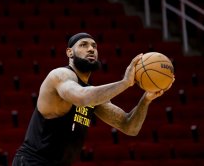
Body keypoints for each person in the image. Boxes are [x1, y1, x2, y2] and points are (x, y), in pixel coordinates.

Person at [12, 32, 174, 166]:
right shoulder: (60, 75)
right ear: (69, 52)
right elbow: (82, 98)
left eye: (94, 46)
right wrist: (126, 82)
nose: (91, 49)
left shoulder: (92, 93)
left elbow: (129, 126)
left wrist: (146, 100)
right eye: (83, 45)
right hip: (31, 162)